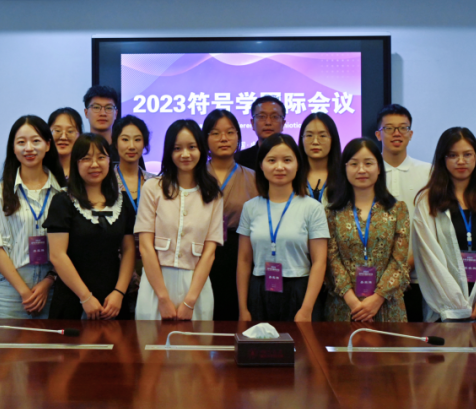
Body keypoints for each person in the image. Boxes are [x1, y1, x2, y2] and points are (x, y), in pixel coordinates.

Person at [412, 127, 476, 322]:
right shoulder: (427, 201)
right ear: (442, 159)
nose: (461, 161)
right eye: (453, 155)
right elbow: (428, 259)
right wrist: (456, 306)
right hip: (444, 310)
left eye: (467, 154)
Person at [134, 120, 224, 320]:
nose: (185, 154)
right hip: (155, 284)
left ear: (201, 149)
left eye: (192, 147)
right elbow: (146, 247)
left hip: (196, 287)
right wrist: (162, 298)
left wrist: (189, 302)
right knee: (150, 340)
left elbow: (209, 253)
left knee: (195, 340)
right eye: (177, 148)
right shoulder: (152, 188)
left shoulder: (213, 194)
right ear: (169, 152)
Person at [0, 116, 66, 319]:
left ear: (48, 145)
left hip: (51, 287)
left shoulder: (62, 193)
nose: (29, 148)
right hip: (7, 289)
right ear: (13, 148)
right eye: (21, 142)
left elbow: (68, 247)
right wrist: (24, 291)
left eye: (36, 141)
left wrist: (49, 281)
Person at [236, 133, 330, 322]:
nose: (280, 167)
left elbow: (319, 262)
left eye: (287, 160)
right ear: (261, 165)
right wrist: (243, 308)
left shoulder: (312, 208)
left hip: (300, 290)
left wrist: (307, 309)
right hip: (259, 290)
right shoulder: (250, 207)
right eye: (272, 160)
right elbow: (244, 261)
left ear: (298, 164)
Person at [43, 133, 136, 320]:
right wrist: (85, 297)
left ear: (109, 161)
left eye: (101, 157)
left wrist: (119, 292)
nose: (94, 164)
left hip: (113, 300)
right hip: (73, 298)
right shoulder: (63, 201)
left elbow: (128, 249)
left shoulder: (122, 200)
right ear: (76, 163)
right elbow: (57, 255)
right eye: (86, 158)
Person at [324, 137, 410, 322]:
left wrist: (377, 299)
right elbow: (331, 259)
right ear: (345, 168)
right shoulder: (332, 213)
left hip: (387, 305)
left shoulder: (398, 210)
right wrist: (353, 302)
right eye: (354, 164)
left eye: (368, 163)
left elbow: (399, 261)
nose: (361, 170)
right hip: (344, 307)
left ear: (379, 168)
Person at [374, 104, 432, 322]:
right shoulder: (368, 171)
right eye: (389, 128)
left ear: (411, 134)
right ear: (378, 134)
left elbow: (432, 226)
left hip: (417, 276)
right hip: (374, 278)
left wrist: (406, 266)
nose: (396, 133)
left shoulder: (428, 172)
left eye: (403, 128)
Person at [203, 109, 258, 321]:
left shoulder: (254, 179)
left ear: (238, 136)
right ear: (205, 138)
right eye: (215, 133)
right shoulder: (196, 177)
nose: (224, 138)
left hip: (240, 253)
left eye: (230, 132)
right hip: (201, 252)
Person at [112, 115, 158, 318]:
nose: (131, 145)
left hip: (151, 263)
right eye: (125, 139)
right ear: (115, 142)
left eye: (137, 139)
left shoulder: (156, 183)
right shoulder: (105, 183)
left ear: (145, 144)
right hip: (115, 267)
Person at [299, 112, 342, 203]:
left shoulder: (344, 174)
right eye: (309, 135)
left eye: (322, 136)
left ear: (333, 139)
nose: (315, 142)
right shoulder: (293, 174)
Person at [235, 96, 287, 170]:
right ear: (253, 123)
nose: (268, 122)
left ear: (283, 124)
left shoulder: (295, 156)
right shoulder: (238, 160)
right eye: (262, 116)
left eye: (274, 117)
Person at [48, 107, 83, 179]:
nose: (63, 137)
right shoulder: (39, 170)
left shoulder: (86, 170)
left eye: (70, 131)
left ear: (80, 135)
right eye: (57, 131)